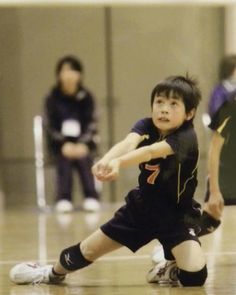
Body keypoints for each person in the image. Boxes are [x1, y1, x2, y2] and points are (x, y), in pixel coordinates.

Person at [10, 75, 207, 287]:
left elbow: (150, 152)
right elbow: (129, 142)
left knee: (195, 276)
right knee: (87, 250)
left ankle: (168, 267)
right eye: (159, 102)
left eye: (173, 104)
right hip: (141, 210)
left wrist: (119, 163)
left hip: (177, 215)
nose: (164, 109)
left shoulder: (187, 138)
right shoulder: (146, 125)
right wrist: (106, 161)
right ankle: (50, 272)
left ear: (190, 113)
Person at [44, 55, 100, 213]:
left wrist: (83, 143)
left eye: (73, 71)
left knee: (84, 158)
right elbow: (49, 125)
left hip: (84, 143)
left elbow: (92, 123)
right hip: (60, 145)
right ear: (58, 75)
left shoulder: (86, 97)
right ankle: (63, 198)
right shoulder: (52, 98)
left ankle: (91, 196)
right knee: (65, 158)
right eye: (65, 71)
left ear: (80, 75)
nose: (69, 75)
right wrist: (63, 144)